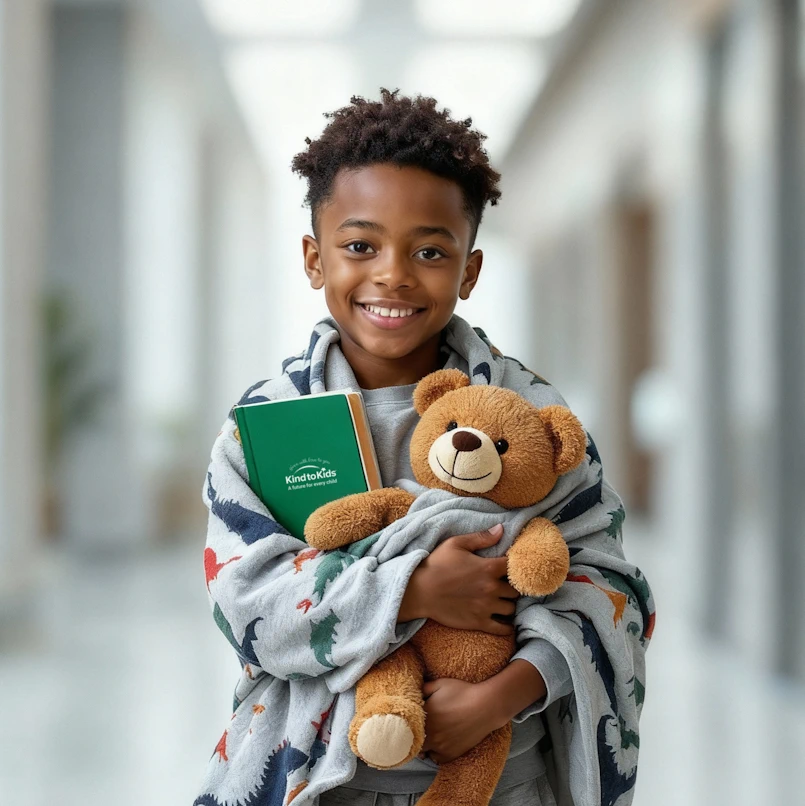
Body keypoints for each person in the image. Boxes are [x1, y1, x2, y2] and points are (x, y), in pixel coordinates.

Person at [194, 89, 653, 806]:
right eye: (359, 246)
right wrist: (413, 588)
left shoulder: (530, 412)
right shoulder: (266, 423)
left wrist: (502, 695)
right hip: (320, 780)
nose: (394, 274)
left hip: (504, 779)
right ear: (314, 259)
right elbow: (246, 596)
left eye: (430, 251)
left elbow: (612, 589)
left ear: (469, 270)